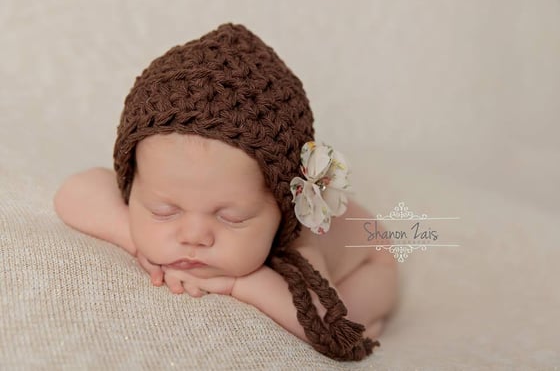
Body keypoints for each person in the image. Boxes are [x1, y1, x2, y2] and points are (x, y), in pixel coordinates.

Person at [53, 23, 398, 361]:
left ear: (284, 210)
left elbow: (327, 323)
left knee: (359, 309)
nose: (194, 236)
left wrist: (241, 285)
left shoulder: (301, 244)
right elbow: (73, 192)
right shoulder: (149, 187)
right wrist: (134, 238)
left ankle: (376, 318)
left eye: (232, 217)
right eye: (163, 210)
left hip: (371, 254)